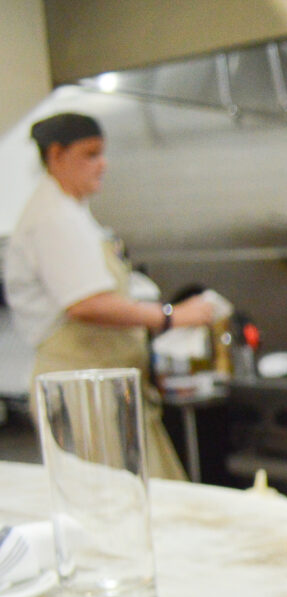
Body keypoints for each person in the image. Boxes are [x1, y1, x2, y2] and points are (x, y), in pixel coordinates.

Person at [6, 113, 218, 480]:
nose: (102, 165)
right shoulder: (52, 217)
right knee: (111, 504)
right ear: (57, 156)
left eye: (102, 154)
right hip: (83, 391)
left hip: (106, 387)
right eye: (90, 154)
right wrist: (173, 316)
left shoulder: (73, 213)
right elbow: (87, 304)